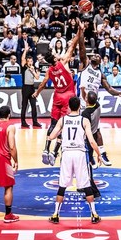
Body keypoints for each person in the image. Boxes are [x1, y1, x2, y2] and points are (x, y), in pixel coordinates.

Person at [32, 20, 83, 166]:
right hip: (68, 96)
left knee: (53, 124)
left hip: (57, 97)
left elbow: (42, 83)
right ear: (54, 58)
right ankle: (55, 152)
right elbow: (73, 45)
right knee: (63, 125)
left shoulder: (49, 70)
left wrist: (37, 93)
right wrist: (80, 30)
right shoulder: (64, 62)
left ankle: (46, 149)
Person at [78, 21, 121, 166]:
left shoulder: (100, 74)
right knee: (85, 133)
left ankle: (103, 154)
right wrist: (81, 32)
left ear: (99, 61)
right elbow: (81, 47)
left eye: (96, 55)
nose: (94, 55)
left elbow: (109, 89)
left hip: (93, 106)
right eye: (92, 54)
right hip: (82, 103)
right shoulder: (85, 64)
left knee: (96, 131)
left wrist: (119, 94)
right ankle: (90, 156)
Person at [48, 96, 102, 224]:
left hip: (66, 153)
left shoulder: (63, 120)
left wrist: (54, 135)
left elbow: (52, 136)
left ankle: (55, 214)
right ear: (79, 107)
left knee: (62, 185)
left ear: (68, 107)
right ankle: (94, 214)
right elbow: (92, 141)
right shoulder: (84, 120)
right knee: (86, 184)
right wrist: (99, 154)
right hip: (79, 153)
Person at [20, 41, 41, 128]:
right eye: (28, 61)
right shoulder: (24, 67)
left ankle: (35, 121)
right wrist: (25, 50)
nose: (30, 62)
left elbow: (37, 77)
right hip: (25, 88)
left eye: (31, 60)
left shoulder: (34, 68)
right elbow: (22, 59)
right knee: (24, 105)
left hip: (32, 88)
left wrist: (33, 71)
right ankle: (23, 122)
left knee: (33, 105)